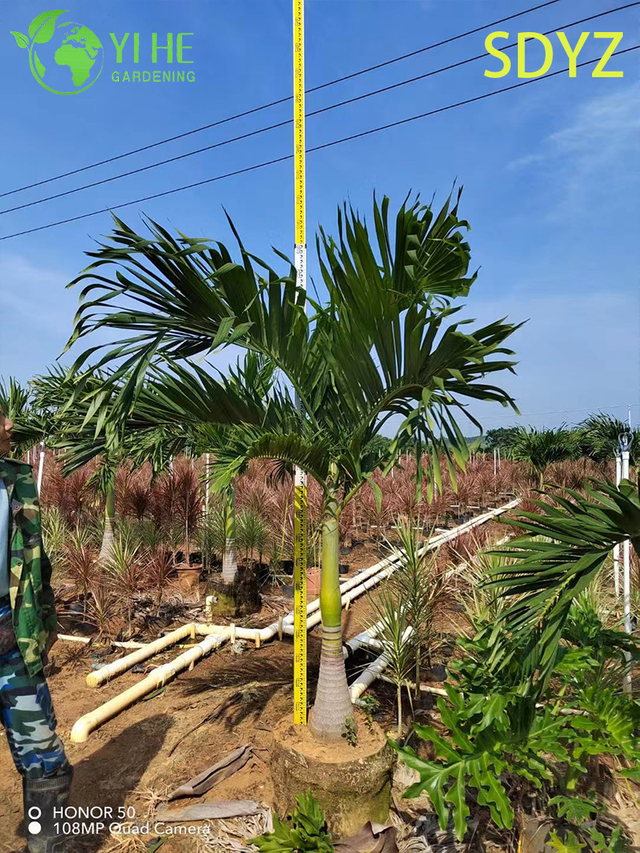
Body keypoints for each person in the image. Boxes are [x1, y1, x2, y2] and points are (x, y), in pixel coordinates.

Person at [0, 406, 72, 853]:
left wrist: (43, 624)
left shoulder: (16, 481)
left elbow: (36, 563)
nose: (9, 425)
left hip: (11, 641)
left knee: (45, 759)